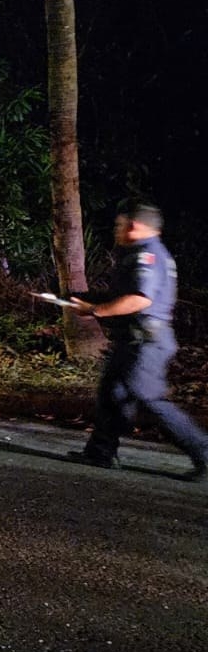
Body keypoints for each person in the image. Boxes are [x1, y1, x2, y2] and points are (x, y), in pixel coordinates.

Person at [67, 202, 207, 482]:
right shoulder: (143, 254)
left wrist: (94, 311)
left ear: (134, 226)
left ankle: (203, 453)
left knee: (150, 399)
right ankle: (101, 451)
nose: (116, 231)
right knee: (111, 393)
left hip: (147, 343)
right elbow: (123, 294)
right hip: (133, 340)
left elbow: (138, 299)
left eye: (119, 226)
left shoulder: (147, 256)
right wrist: (87, 297)